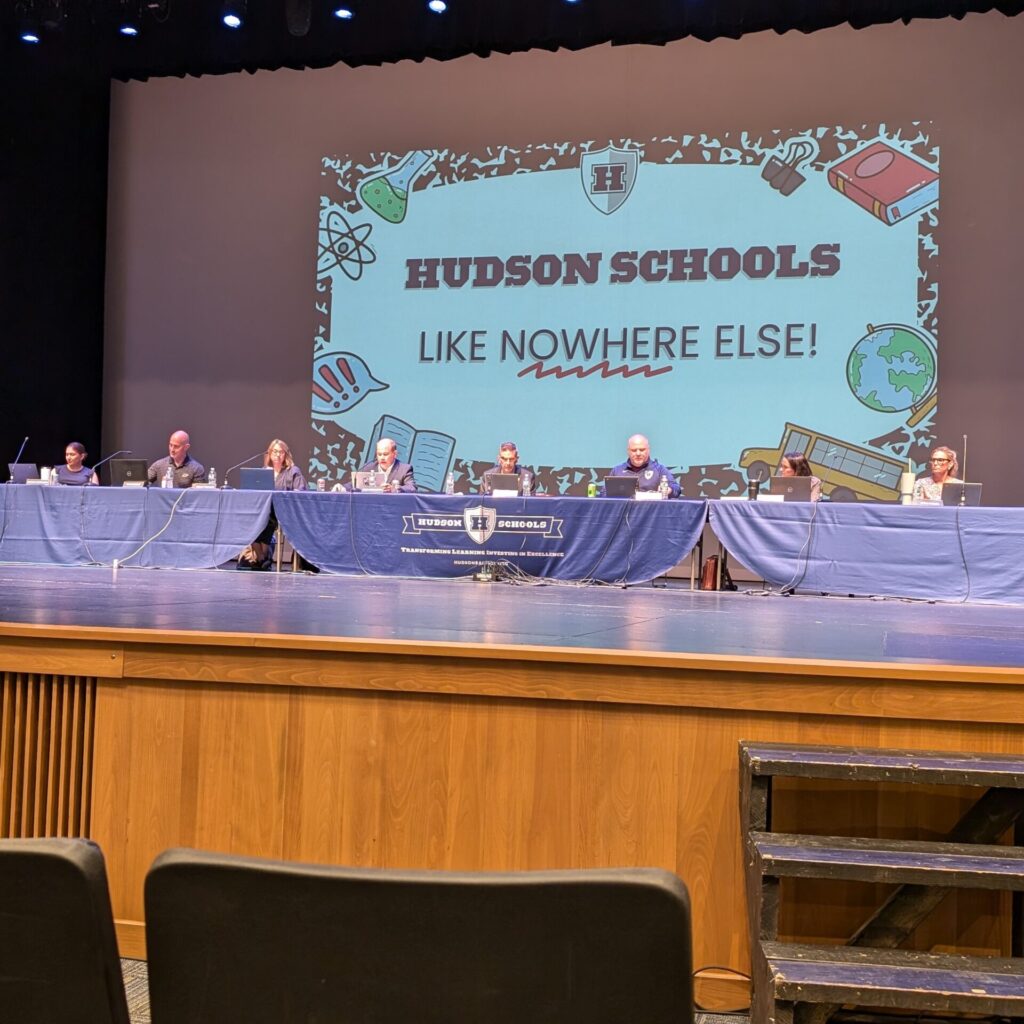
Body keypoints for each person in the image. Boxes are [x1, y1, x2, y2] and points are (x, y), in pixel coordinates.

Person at [239, 439, 306, 569]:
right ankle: (263, 558)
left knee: (266, 520)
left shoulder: (293, 471)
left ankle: (261, 558)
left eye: (281, 452)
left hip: (284, 512)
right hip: (265, 510)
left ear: (286, 454)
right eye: (274, 451)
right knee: (253, 520)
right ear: (269, 454)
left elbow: (301, 492)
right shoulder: (264, 471)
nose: (277, 455)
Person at [607, 434, 680, 497]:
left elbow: (676, 489)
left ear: (648, 450)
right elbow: (604, 494)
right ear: (628, 451)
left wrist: (669, 490)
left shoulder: (659, 469)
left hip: (650, 512)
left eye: (642, 450)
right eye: (634, 450)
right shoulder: (617, 471)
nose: (638, 453)